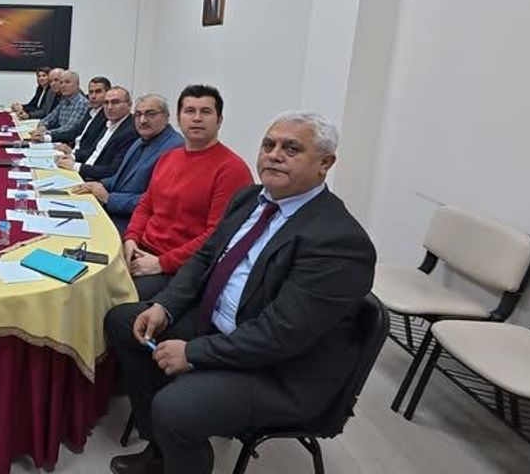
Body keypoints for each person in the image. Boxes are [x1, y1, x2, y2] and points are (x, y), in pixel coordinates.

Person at [103, 111, 376, 474]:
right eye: (269, 145)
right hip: (220, 326)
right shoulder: (250, 199)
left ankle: (178, 443)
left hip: (278, 370)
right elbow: (203, 259)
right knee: (125, 320)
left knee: (176, 408)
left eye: (291, 149)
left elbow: (281, 335)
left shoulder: (338, 241)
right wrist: (164, 307)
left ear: (325, 163)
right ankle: (163, 449)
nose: (274, 155)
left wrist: (193, 353)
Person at [121, 86, 253, 300]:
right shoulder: (168, 157)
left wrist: (161, 263)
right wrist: (131, 239)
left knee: (114, 299)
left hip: (179, 268)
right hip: (141, 249)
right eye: (190, 111)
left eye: (205, 112)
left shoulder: (232, 169)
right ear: (179, 119)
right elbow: (146, 205)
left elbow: (217, 235)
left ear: (219, 120)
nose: (197, 118)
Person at [70, 94, 183, 233]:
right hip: (114, 211)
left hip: (133, 224)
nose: (142, 120)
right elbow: (121, 178)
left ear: (166, 117)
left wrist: (109, 198)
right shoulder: (140, 140)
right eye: (138, 114)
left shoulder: (175, 149)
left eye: (150, 114)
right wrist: (99, 184)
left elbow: (158, 203)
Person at [58, 85, 137, 181]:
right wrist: (72, 156)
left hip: (93, 180)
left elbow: (113, 171)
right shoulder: (109, 123)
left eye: (115, 102)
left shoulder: (130, 131)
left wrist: (75, 166)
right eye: (106, 103)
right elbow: (92, 152)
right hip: (83, 171)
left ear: (129, 104)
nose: (109, 107)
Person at [29, 70, 89, 142]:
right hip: (58, 139)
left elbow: (69, 128)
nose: (63, 85)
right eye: (61, 82)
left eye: (67, 82)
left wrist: (46, 133)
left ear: (77, 85)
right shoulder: (64, 101)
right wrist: (41, 128)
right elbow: (48, 119)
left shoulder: (82, 103)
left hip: (69, 143)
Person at [54, 75, 110, 147]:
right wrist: (48, 137)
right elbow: (76, 132)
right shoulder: (90, 111)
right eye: (91, 92)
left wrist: (72, 152)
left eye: (98, 92)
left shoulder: (107, 116)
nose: (93, 96)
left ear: (108, 93)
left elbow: (94, 147)